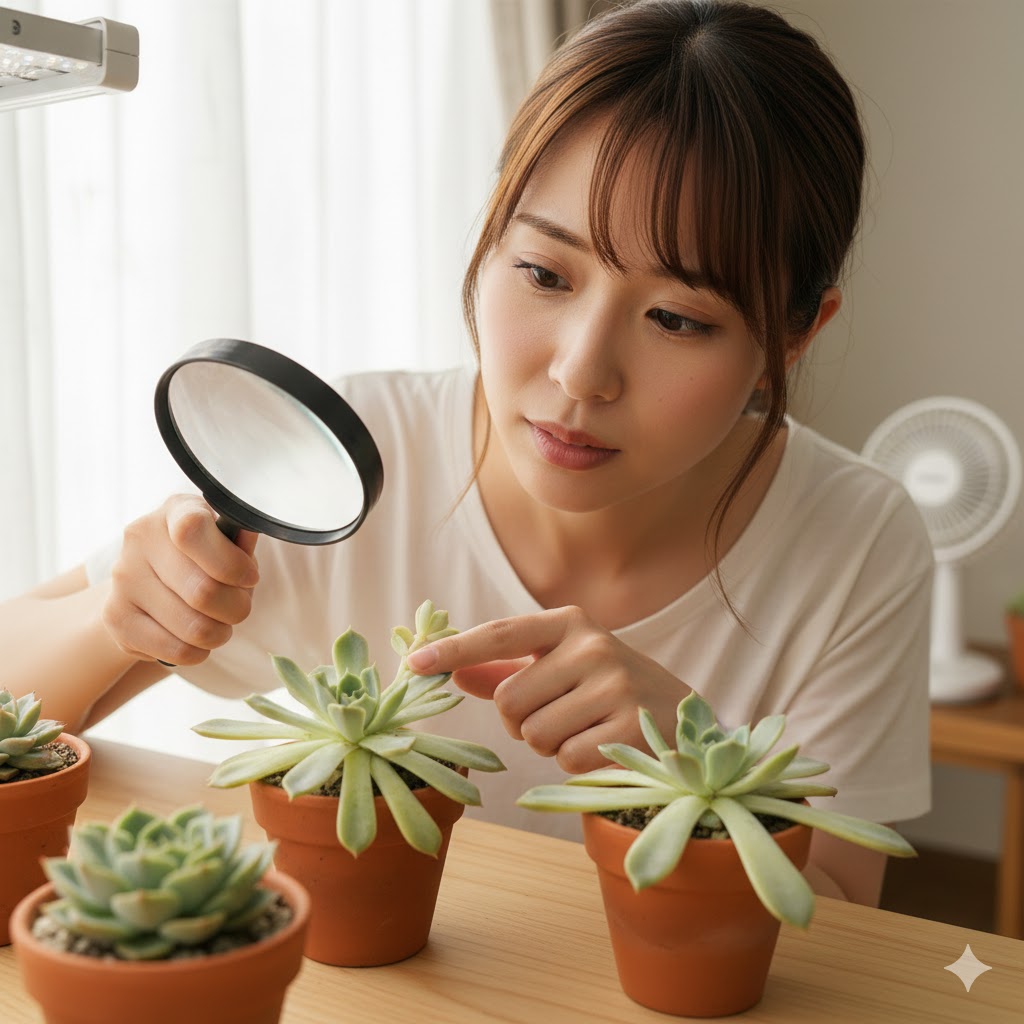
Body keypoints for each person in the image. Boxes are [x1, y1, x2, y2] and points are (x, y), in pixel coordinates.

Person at [0, 0, 932, 908]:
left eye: (678, 319)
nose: (580, 373)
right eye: (543, 272)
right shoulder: (338, 453)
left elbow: (841, 913)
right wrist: (115, 620)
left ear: (793, 337)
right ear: (489, 233)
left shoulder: (855, 533)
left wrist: (683, 765)